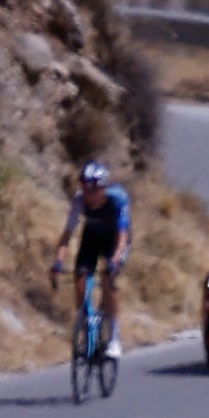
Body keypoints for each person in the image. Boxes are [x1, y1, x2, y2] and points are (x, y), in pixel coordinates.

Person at [59, 155, 130, 368]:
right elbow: (67, 234)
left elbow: (123, 237)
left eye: (91, 190)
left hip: (114, 240)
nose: (87, 195)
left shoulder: (117, 199)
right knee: (80, 279)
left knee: (108, 278)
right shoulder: (79, 201)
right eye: (84, 188)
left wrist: (115, 261)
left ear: (102, 188)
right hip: (91, 238)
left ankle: (114, 337)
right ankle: (86, 323)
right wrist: (58, 260)